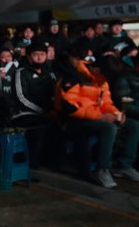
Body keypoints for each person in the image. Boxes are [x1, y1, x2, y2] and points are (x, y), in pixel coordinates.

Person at [54, 47, 139, 186]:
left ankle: (124, 165)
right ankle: (102, 170)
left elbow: (107, 103)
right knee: (109, 128)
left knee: (133, 125)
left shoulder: (102, 82)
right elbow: (69, 108)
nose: (106, 81)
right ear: (97, 70)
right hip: (71, 121)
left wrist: (117, 114)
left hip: (94, 118)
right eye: (105, 77)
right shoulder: (73, 78)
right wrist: (99, 116)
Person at [11, 41, 57, 169]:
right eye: (36, 54)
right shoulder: (21, 73)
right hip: (23, 113)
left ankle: (53, 161)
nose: (39, 57)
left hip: (48, 112)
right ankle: (32, 160)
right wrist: (42, 111)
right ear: (29, 56)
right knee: (43, 124)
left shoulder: (50, 72)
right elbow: (22, 98)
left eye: (42, 54)